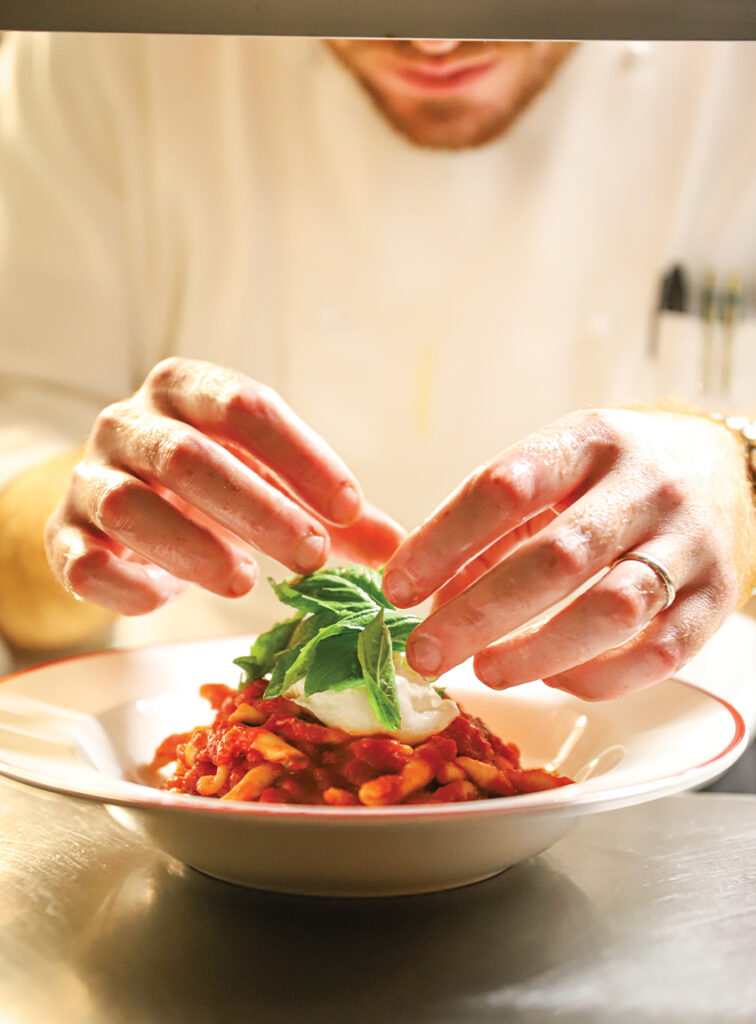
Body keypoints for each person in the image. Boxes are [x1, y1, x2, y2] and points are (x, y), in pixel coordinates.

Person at [0, 34, 754, 708]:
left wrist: (739, 479)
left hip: (700, 743)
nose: (435, 41)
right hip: (187, 733)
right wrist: (101, 519)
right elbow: (17, 521)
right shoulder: (99, 45)